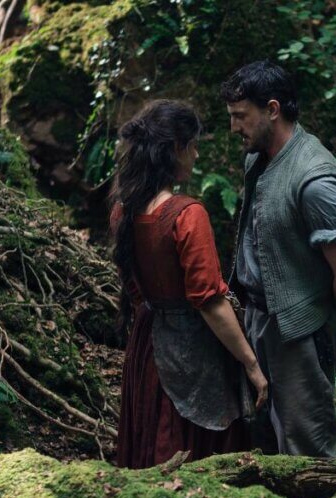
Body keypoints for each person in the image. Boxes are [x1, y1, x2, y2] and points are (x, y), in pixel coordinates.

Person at [220, 61, 336, 457]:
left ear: (272, 109)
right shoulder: (257, 158)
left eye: (240, 116)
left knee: (307, 450)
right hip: (256, 320)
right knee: (262, 441)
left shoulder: (316, 180)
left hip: (299, 333)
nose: (233, 127)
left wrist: (324, 330)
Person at [111, 100, 268, 469]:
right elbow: (208, 300)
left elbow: (135, 288)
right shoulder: (187, 214)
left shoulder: (123, 210)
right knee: (187, 446)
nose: (196, 155)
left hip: (148, 344)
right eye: (193, 146)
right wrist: (251, 363)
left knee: (152, 432)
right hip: (192, 347)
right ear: (175, 149)